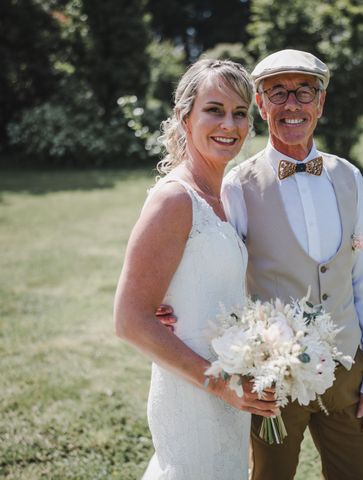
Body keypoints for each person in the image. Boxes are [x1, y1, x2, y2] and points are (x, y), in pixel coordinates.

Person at [161, 49, 363, 480]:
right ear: (262, 106)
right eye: (277, 93)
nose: (292, 104)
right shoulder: (238, 185)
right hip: (273, 383)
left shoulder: (349, 176)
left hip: (348, 375)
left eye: (304, 92)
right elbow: (216, 265)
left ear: (320, 104)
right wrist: (173, 303)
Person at [113, 59, 278, 480]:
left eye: (240, 113)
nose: (230, 123)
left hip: (229, 391)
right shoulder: (174, 200)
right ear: (185, 116)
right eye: (215, 109)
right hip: (193, 390)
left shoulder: (226, 196)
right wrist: (222, 385)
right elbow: (129, 320)